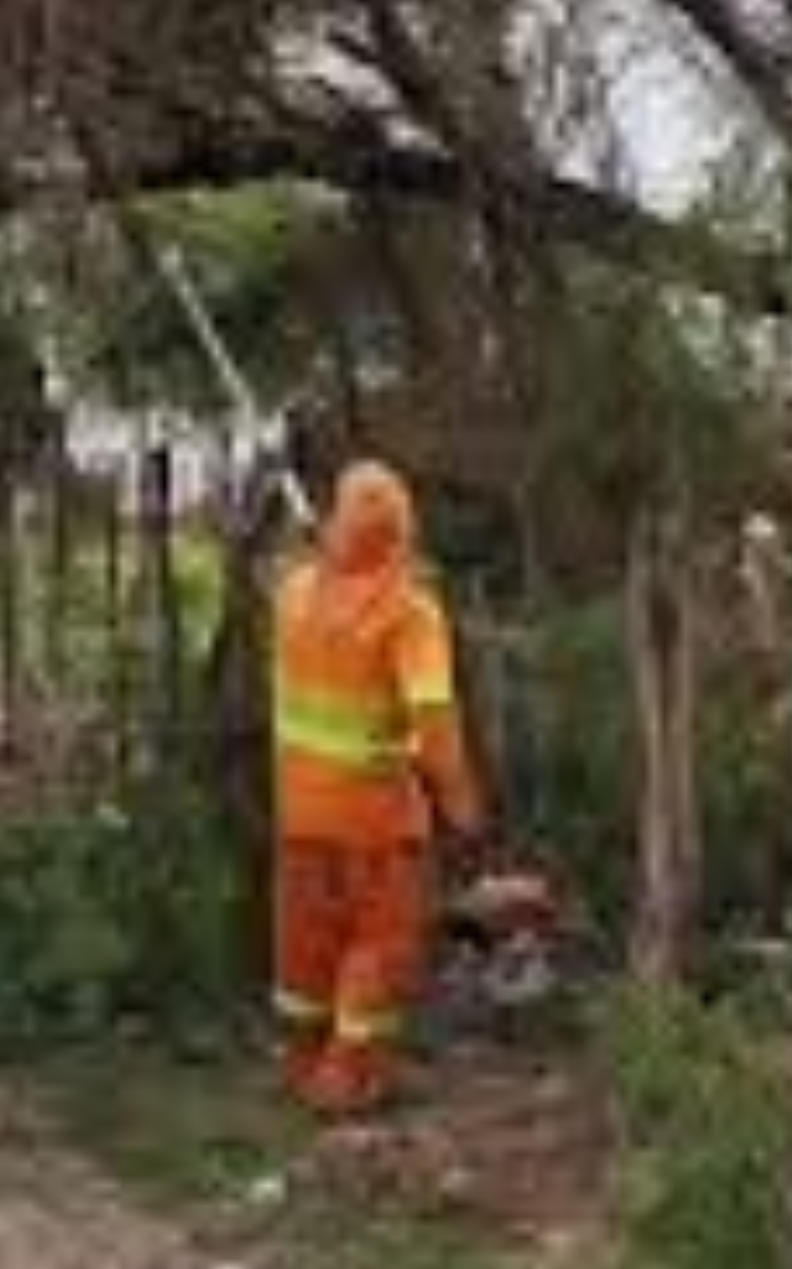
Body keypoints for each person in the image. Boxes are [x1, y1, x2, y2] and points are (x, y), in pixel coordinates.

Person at [270, 459, 487, 1118]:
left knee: (305, 948)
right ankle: (349, 1078)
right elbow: (435, 722)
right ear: (404, 533)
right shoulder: (411, 614)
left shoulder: (294, 596)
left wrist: (327, 557)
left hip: (299, 812)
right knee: (380, 948)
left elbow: (312, 573)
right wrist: (461, 805)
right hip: (378, 819)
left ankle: (301, 1063)